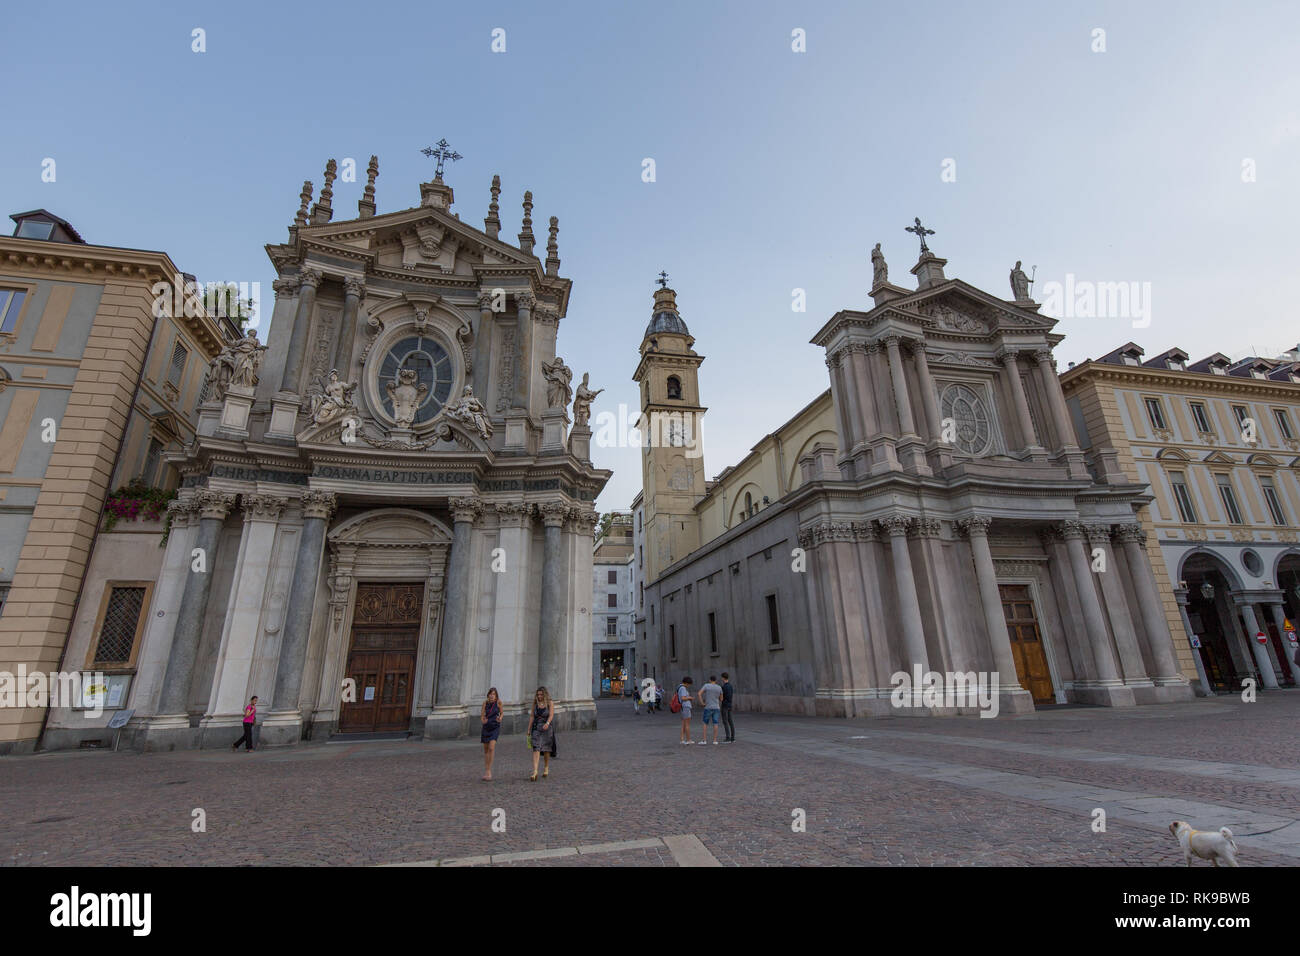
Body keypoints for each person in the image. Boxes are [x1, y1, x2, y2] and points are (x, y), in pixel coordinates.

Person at [528, 686, 556, 781]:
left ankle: (546, 767)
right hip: (536, 728)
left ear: (544, 694)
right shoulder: (535, 704)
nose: (539, 696)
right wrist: (528, 729)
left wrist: (547, 723)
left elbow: (551, 715)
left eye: (541, 694)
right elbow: (532, 716)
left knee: (546, 750)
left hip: (546, 729)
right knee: (536, 748)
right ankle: (535, 771)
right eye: (538, 694)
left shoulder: (550, 703)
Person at [480, 687, 502, 781]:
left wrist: (500, 718)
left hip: (495, 727)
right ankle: (486, 769)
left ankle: (489, 771)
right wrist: (483, 720)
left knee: (491, 747)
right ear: (488, 695)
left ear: (496, 696)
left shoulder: (498, 703)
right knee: (486, 750)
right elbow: (482, 715)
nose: (492, 696)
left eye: (494, 694)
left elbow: (502, 713)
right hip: (486, 727)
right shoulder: (485, 703)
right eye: (491, 694)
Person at [698, 675, 724, 745]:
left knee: (705, 723)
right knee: (715, 723)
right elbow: (721, 699)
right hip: (716, 707)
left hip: (708, 707)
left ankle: (704, 740)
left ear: (710, 680)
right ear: (716, 680)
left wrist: (702, 703)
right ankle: (715, 740)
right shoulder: (719, 687)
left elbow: (699, 693)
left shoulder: (706, 685)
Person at [676, 676, 694, 744]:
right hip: (685, 706)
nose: (689, 686)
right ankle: (688, 739)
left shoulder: (679, 687)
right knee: (687, 724)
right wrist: (690, 698)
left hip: (683, 707)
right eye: (689, 684)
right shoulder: (683, 688)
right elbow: (683, 698)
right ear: (686, 683)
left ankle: (682, 739)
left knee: (684, 724)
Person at [720, 672, 736, 743]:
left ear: (723, 678)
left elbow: (722, 697)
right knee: (731, 721)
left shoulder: (723, 687)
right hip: (730, 705)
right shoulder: (730, 686)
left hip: (725, 705)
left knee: (725, 721)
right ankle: (733, 738)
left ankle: (728, 737)